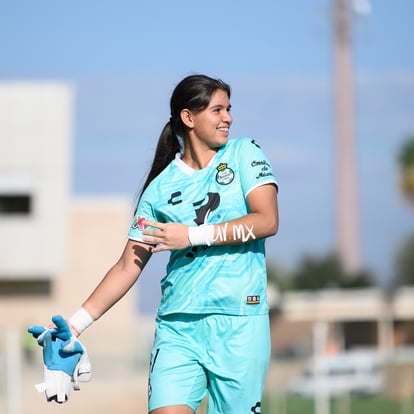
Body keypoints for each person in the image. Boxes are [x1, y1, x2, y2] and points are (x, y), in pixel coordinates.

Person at [36, 74, 279, 413]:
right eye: (218, 109)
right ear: (188, 117)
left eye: (229, 109)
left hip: (239, 322)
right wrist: (74, 326)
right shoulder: (158, 190)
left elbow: (267, 220)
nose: (228, 118)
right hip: (177, 328)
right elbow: (127, 266)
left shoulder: (244, 153)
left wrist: (191, 235)